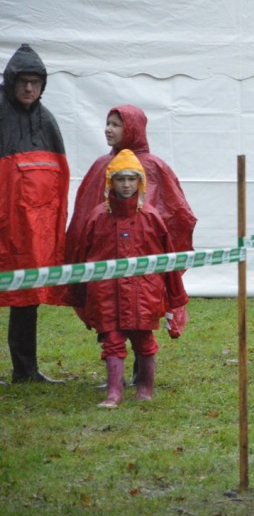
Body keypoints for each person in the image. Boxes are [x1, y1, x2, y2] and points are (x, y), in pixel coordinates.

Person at [65, 104, 196, 385]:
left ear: (132, 128)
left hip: (143, 268)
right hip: (108, 265)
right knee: (111, 317)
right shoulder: (102, 166)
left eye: (116, 124)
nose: (108, 129)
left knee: (142, 321)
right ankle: (117, 378)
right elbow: (86, 212)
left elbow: (174, 212)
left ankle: (141, 375)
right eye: (107, 123)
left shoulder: (153, 166)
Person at [0, 43, 70, 384]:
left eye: (36, 82)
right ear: (11, 81)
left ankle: (25, 370)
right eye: (23, 81)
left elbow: (58, 179)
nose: (29, 88)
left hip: (29, 228)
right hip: (4, 222)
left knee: (25, 296)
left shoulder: (47, 121)